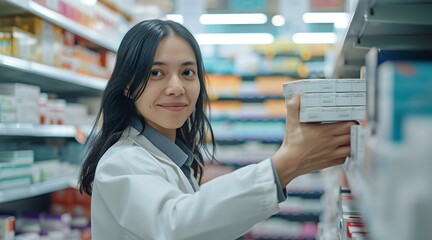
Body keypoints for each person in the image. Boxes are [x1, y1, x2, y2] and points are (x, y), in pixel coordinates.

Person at [78, 19, 354, 240]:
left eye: (188, 72)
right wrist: (282, 167)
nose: (176, 88)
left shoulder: (173, 157)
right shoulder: (121, 162)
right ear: (127, 85)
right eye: (156, 73)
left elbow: (200, 225)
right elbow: (174, 225)